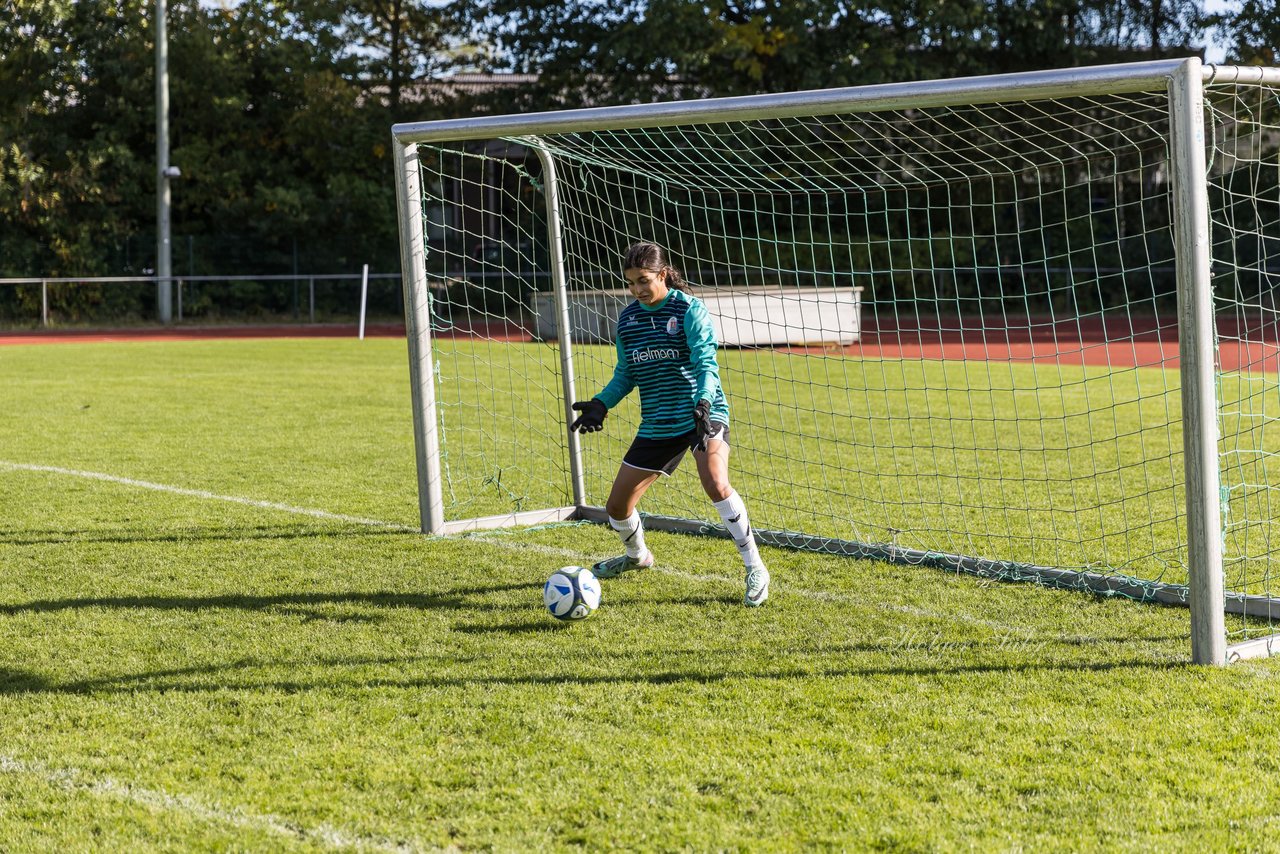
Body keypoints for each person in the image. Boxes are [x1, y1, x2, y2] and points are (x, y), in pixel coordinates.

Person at [569, 241, 770, 606]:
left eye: (644, 280)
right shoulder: (629, 320)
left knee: (716, 483)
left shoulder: (689, 310)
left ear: (663, 274)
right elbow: (625, 375)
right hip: (659, 421)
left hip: (700, 414)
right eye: (631, 282)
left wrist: (705, 404)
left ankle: (755, 567)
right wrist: (601, 404)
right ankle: (637, 557)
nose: (637, 290)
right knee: (617, 507)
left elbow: (707, 364)